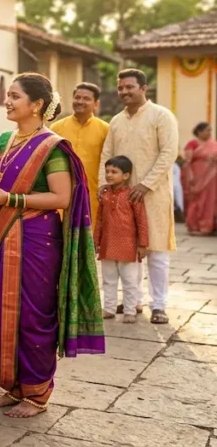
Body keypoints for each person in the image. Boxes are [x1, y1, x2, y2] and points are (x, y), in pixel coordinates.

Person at [0, 73, 105, 418]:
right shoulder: (5, 141)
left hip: (35, 242)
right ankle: (12, 386)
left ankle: (37, 394)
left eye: (14, 96)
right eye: (8, 95)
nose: (8, 101)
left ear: (37, 104)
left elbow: (61, 196)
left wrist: (12, 199)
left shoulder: (51, 147)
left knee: (32, 316)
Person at [99, 68, 178, 324]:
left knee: (155, 249)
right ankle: (135, 301)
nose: (124, 92)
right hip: (120, 197)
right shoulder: (116, 121)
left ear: (144, 88)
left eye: (129, 87)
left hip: (153, 194)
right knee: (129, 251)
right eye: (120, 88)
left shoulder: (161, 116)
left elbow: (168, 153)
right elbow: (106, 154)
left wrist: (145, 184)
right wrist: (104, 184)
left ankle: (159, 305)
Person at [95, 155, 148, 324]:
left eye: (114, 172)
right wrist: (96, 241)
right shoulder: (104, 194)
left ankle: (130, 310)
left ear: (126, 175)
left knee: (129, 280)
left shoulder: (132, 195)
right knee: (108, 279)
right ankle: (109, 308)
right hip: (107, 245)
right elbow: (100, 220)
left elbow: (141, 220)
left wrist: (143, 244)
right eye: (107, 171)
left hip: (128, 245)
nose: (109, 175)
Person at [50, 83, 109, 224]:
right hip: (62, 191)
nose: (80, 102)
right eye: (77, 97)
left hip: (93, 192)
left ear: (96, 104)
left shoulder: (106, 130)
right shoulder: (57, 127)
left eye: (86, 99)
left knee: (91, 234)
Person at [183, 122, 217, 236]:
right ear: (199, 132)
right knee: (198, 200)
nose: (209, 133)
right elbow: (188, 162)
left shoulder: (213, 144)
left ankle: (209, 226)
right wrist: (190, 176)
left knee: (210, 201)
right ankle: (195, 226)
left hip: (212, 178)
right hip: (197, 177)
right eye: (207, 130)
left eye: (210, 130)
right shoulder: (192, 144)